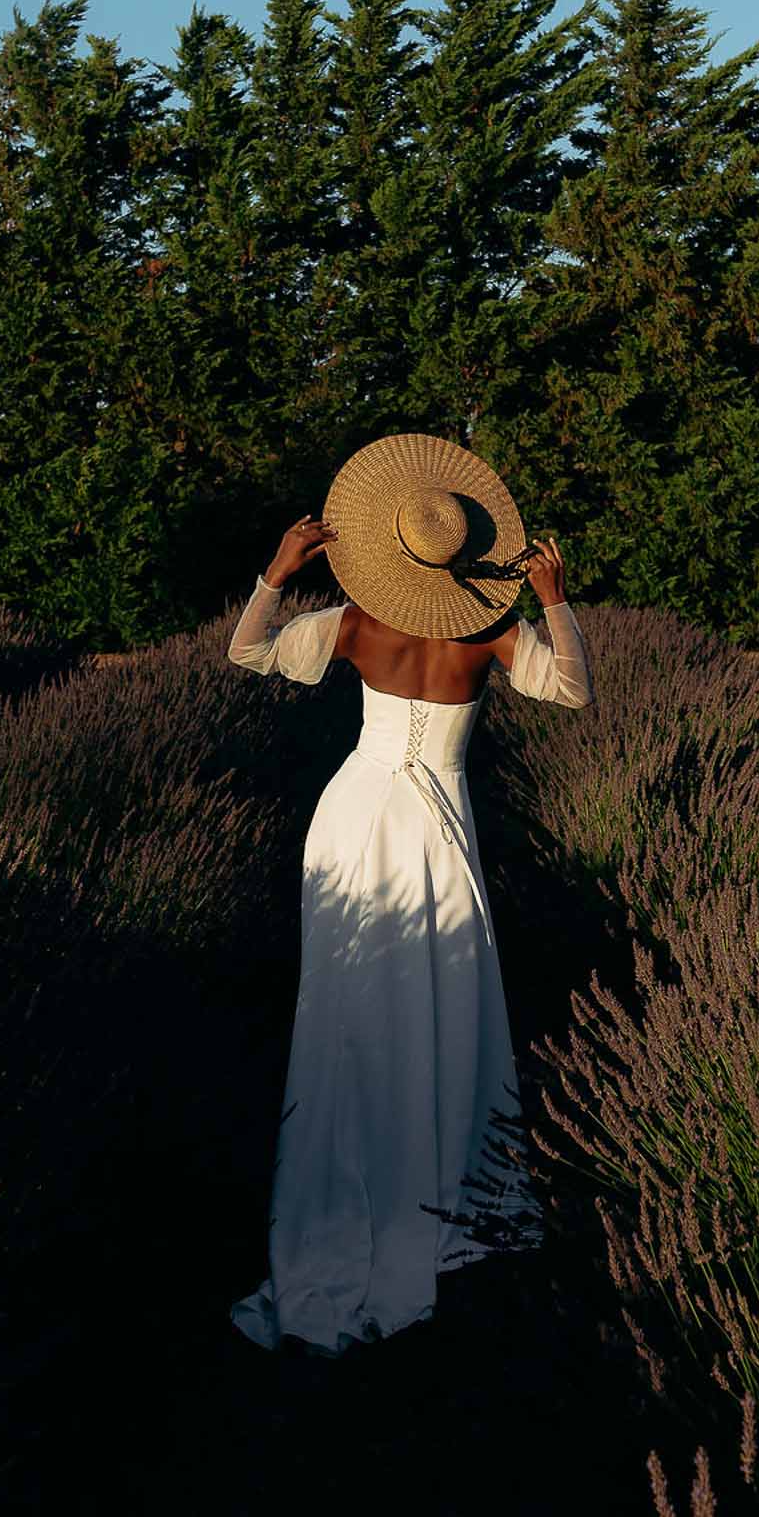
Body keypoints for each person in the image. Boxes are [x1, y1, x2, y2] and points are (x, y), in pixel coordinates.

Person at [225, 431, 594, 1358]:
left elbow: (246, 652)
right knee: (447, 990)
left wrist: (276, 569)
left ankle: (351, 1177)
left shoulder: (356, 624)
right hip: (437, 826)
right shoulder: (492, 630)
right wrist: (551, 601)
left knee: (348, 1002)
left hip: (354, 816)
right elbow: (574, 692)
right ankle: (435, 1179)